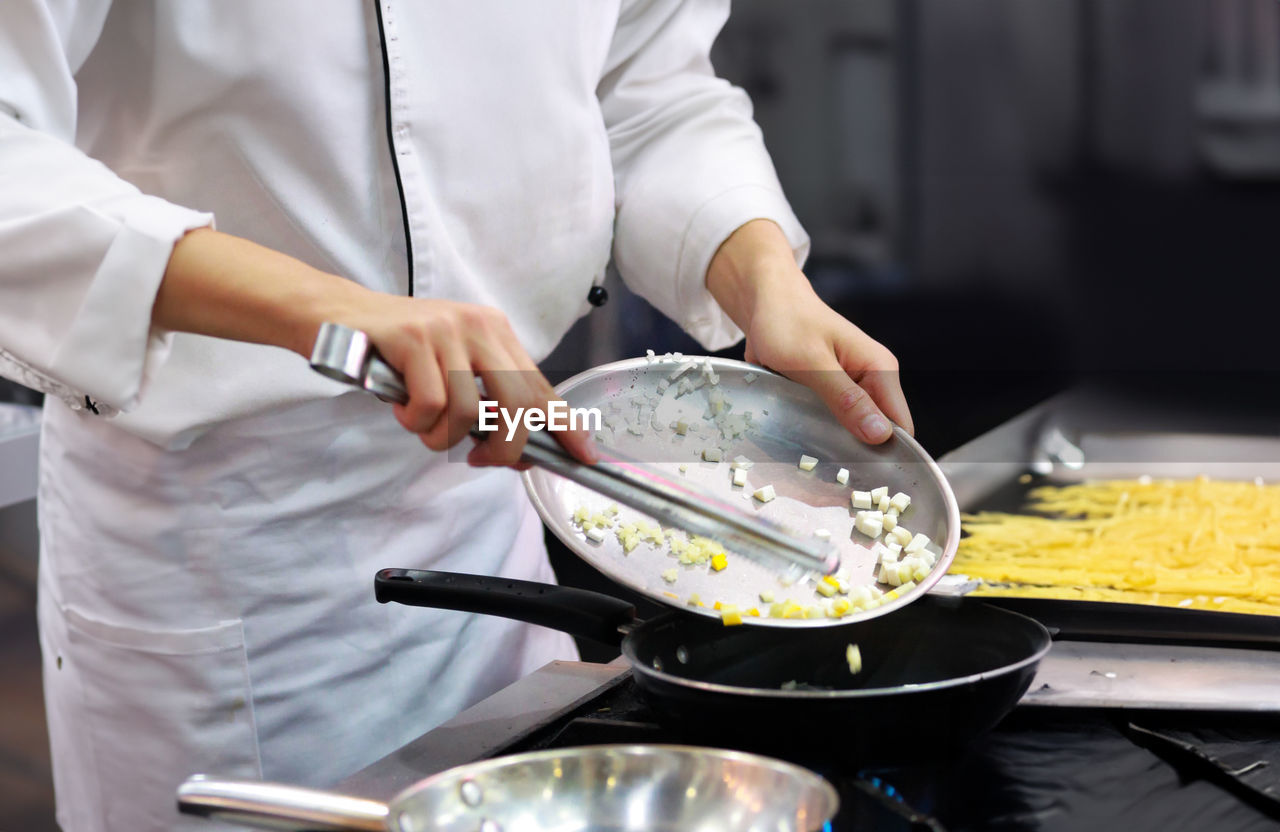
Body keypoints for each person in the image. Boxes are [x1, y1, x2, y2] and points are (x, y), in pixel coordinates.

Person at [0, 2, 912, 830]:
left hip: (498, 509)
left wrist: (763, 279)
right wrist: (323, 306)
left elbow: (645, 88)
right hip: (226, 553)